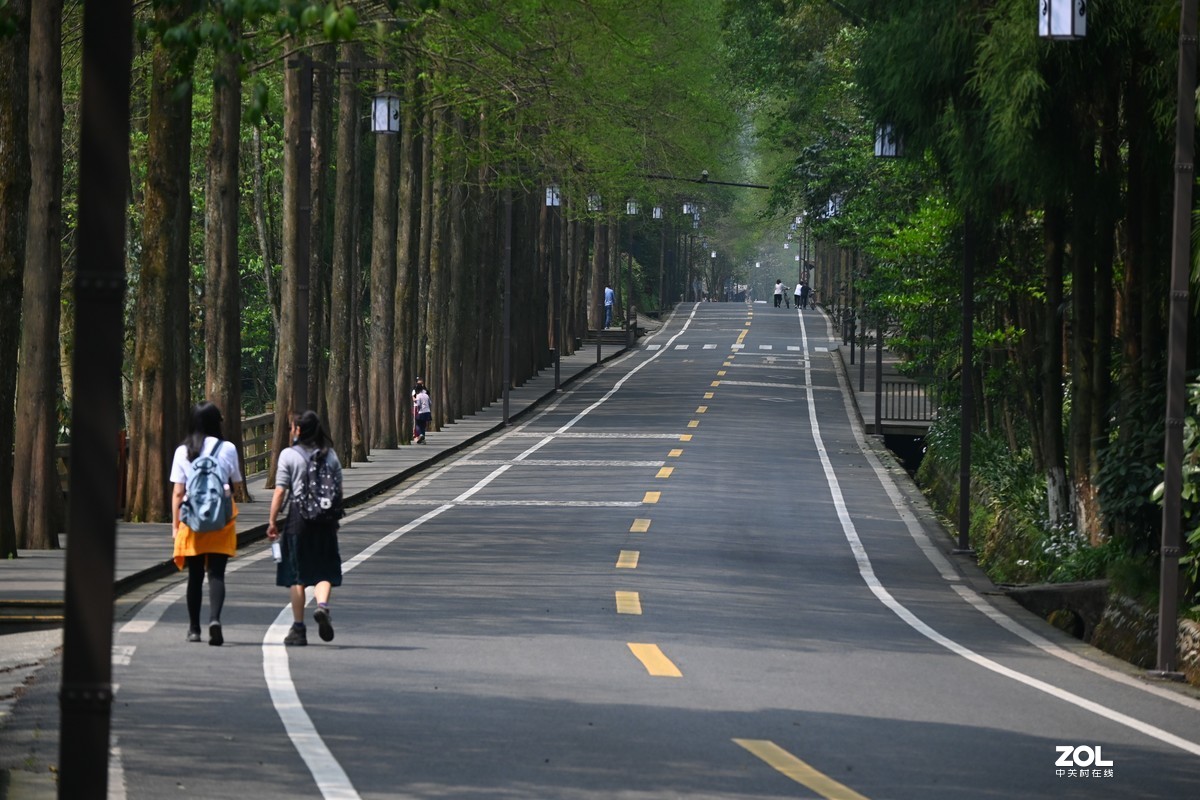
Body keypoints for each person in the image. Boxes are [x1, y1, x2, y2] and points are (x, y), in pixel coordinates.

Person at [267, 410, 344, 646]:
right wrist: (334, 519)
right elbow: (339, 489)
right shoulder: (330, 455)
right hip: (325, 521)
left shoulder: (289, 455)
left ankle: (299, 629)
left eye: (292, 427)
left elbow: (280, 490)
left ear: (298, 430)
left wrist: (272, 521)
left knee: (297, 577)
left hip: (298, 521)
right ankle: (322, 606)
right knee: (324, 571)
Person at [170, 401, 242, 645]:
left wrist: (175, 526)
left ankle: (193, 629)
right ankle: (214, 619)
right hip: (221, 519)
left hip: (191, 521)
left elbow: (178, 493)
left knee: (194, 575)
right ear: (216, 422)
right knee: (217, 574)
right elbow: (236, 486)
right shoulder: (228, 448)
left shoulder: (183, 450)